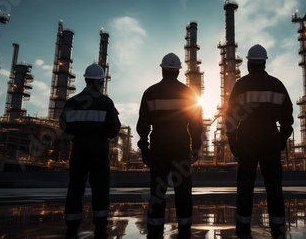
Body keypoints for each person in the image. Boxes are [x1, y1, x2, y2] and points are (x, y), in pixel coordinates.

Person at [226, 44, 294, 238]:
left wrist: (233, 140)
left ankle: (243, 226)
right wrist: (282, 138)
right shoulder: (277, 84)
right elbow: (287, 116)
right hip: (270, 133)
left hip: (247, 133)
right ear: (264, 62)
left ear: (248, 63)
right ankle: (278, 226)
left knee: (245, 182)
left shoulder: (241, 85)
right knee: (274, 183)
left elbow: (230, 116)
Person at [137, 52, 203, 239]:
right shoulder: (189, 93)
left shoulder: (150, 93)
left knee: (157, 188)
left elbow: (143, 124)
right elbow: (196, 122)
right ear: (178, 71)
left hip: (159, 143)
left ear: (162, 69)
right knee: (183, 188)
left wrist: (144, 147)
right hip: (181, 144)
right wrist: (196, 145)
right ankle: (184, 228)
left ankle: (155, 229)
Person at [59, 63, 121, 238]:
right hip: (99, 149)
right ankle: (100, 226)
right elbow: (114, 128)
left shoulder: (72, 102)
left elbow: (63, 125)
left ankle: (72, 225)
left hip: (78, 147)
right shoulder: (106, 102)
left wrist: (80, 130)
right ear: (101, 81)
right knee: (100, 186)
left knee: (75, 187)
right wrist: (101, 133)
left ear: (86, 80)